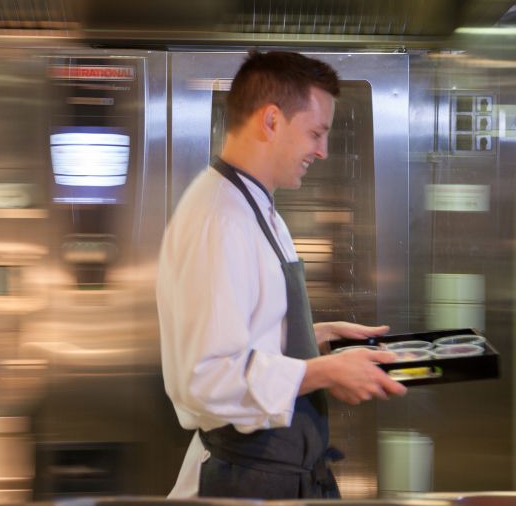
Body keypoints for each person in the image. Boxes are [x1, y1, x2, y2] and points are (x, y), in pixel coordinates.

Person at [156, 51, 406, 499]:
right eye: (315, 133)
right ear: (271, 121)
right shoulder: (221, 218)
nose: (322, 151)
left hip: (272, 474)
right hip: (243, 480)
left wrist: (314, 337)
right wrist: (324, 372)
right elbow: (208, 377)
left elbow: (239, 334)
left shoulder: (253, 203)